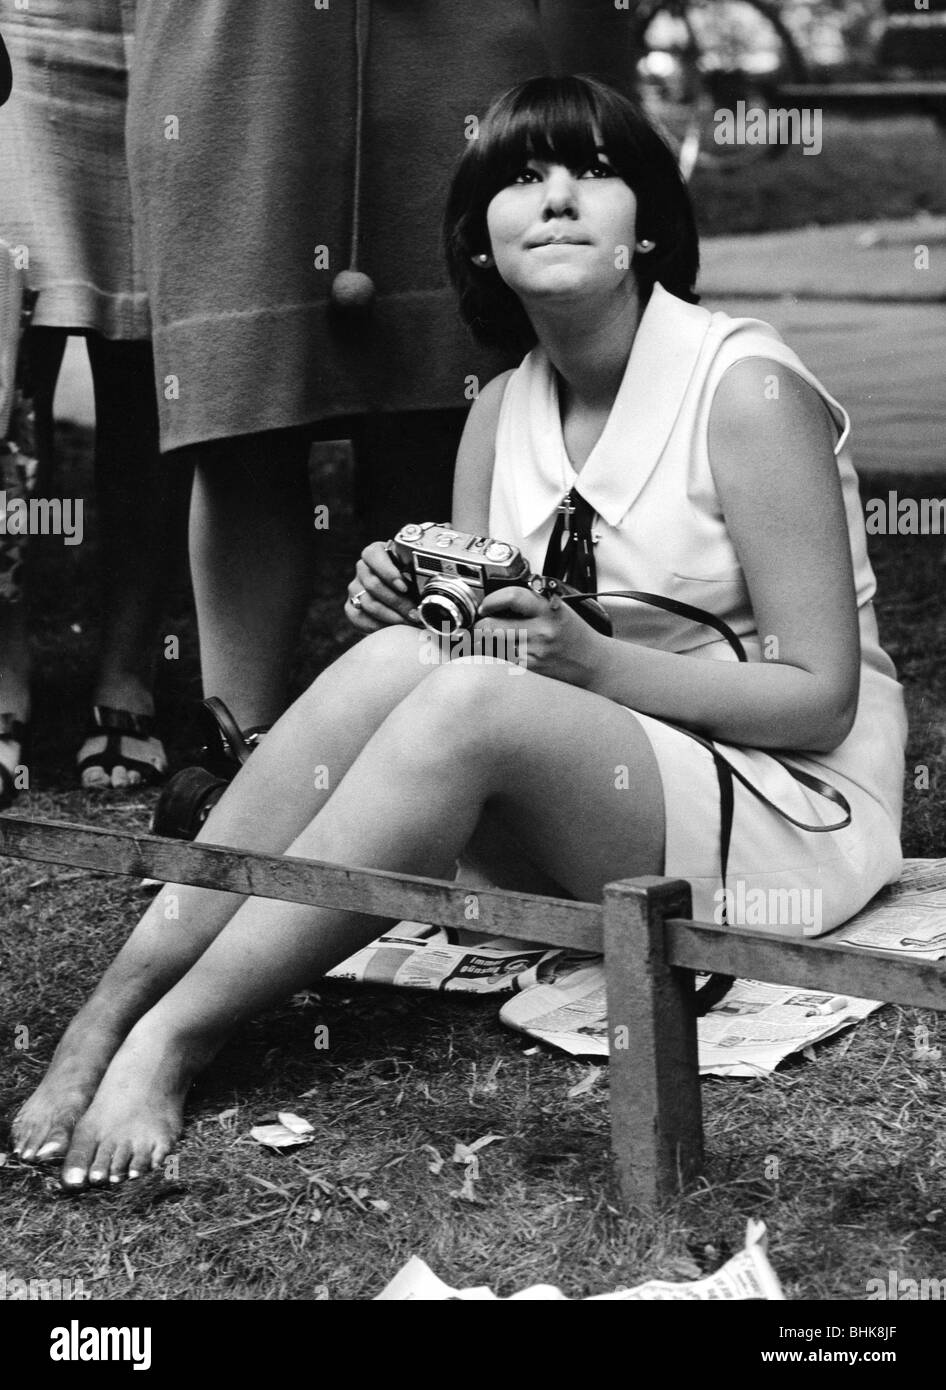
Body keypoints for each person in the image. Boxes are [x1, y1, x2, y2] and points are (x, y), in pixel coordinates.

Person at [11, 76, 907, 1188]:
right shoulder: (499, 410)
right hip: (606, 797)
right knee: (410, 662)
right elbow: (481, 650)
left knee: (466, 697)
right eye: (521, 177)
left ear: (649, 230)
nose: (559, 197)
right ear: (480, 243)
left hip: (787, 808)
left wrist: (581, 661)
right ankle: (110, 1006)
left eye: (594, 170)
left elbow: (820, 697)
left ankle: (176, 1034)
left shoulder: (744, 390)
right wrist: (414, 606)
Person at [125, 0, 636, 738]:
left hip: (467, 34)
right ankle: (237, 746)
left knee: (445, 390)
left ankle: (421, 736)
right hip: (243, 39)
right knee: (242, 397)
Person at [0, 0, 179, 794]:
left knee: (151, 367)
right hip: (19, 31)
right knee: (7, 370)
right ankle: (3, 665)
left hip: (172, 38)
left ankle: (128, 670)